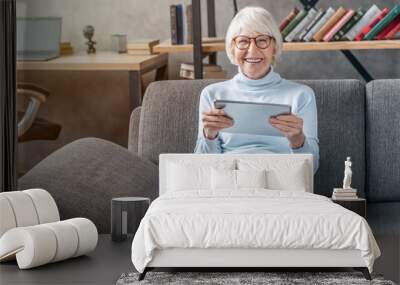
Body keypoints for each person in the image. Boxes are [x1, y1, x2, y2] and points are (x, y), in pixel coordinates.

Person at [194, 6, 319, 173]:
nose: (252, 50)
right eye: (243, 41)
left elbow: (312, 169)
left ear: (274, 47)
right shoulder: (212, 94)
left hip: (282, 183)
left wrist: (298, 140)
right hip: (229, 184)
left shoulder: (301, 95)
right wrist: (209, 135)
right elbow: (202, 170)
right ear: (232, 48)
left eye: (262, 40)